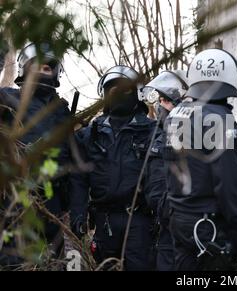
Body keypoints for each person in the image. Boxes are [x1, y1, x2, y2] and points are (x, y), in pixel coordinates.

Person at [164, 49, 237, 271]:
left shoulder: (176, 114)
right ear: (229, 78)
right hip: (208, 225)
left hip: (180, 219)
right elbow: (229, 183)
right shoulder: (220, 119)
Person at [69, 65, 165, 271]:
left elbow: (161, 178)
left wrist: (160, 215)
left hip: (140, 221)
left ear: (137, 95)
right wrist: (78, 215)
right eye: (113, 91)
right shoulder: (90, 135)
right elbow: (78, 179)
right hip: (104, 222)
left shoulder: (152, 131)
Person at [0, 43, 71, 268]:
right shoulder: (7, 100)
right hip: (14, 202)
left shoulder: (62, 111)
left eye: (47, 68)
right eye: (36, 66)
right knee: (13, 261)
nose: (41, 71)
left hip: (53, 204)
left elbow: (72, 160)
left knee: (50, 262)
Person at [141, 70, 188, 271]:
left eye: (165, 101)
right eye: (160, 101)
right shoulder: (159, 138)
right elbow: (155, 188)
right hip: (168, 227)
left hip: (198, 228)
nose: (161, 106)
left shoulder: (204, 131)